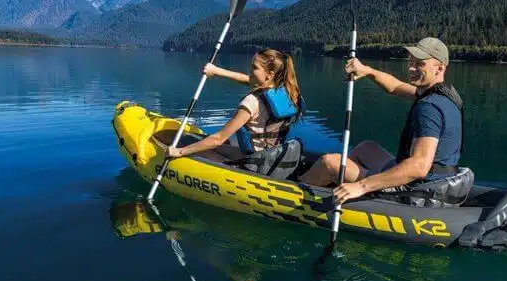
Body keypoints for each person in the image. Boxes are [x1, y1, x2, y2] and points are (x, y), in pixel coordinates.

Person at [298, 37, 464, 205]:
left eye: (420, 63)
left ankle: (295, 192)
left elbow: (419, 167)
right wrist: (367, 71)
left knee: (329, 162)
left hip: (418, 189)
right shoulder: (442, 94)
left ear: (439, 68)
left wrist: (362, 186)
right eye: (411, 61)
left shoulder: (428, 108)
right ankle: (337, 186)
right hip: (437, 179)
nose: (411, 67)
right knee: (366, 148)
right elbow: (395, 87)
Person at [166, 48, 304, 170]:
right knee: (219, 147)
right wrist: (216, 71)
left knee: (198, 149)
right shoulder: (291, 94)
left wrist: (179, 152)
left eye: (254, 68)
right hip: (272, 157)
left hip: (254, 163)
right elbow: (248, 80)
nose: (249, 71)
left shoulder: (252, 102)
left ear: (270, 74)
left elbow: (218, 139)